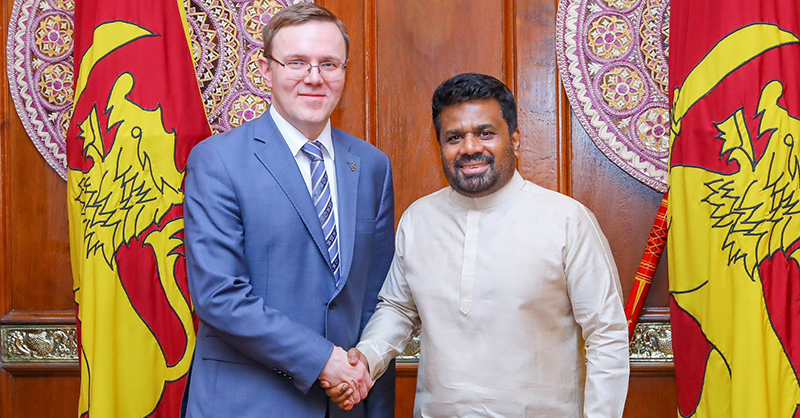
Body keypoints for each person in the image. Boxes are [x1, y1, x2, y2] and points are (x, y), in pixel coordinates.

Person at [327, 73, 629, 417]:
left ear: (514, 140)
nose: (470, 147)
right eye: (454, 137)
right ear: (440, 146)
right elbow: (398, 309)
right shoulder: (419, 219)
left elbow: (606, 334)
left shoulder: (567, 221)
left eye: (485, 133)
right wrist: (366, 358)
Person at [182, 4, 395, 417]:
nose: (314, 77)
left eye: (328, 63)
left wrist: (365, 385)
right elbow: (218, 295)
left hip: (346, 404)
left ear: (344, 71)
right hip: (247, 404)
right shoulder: (218, 160)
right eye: (296, 62)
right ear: (266, 70)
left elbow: (376, 298)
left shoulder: (372, 166)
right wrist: (323, 360)